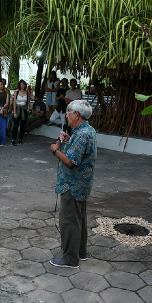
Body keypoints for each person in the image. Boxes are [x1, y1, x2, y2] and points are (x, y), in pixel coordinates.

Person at [49, 100, 97, 268]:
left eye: (68, 112)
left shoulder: (82, 134)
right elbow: (77, 151)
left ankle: (70, 259)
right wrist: (67, 141)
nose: (66, 115)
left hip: (73, 185)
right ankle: (80, 252)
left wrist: (55, 150)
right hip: (81, 184)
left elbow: (70, 161)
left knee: (68, 220)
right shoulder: (86, 130)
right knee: (79, 219)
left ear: (77, 115)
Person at [11, 80, 30, 146]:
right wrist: (14, 112)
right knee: (16, 125)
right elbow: (14, 102)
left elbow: (28, 102)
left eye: (23, 84)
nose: (22, 85)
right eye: (21, 84)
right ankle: (13, 139)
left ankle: (20, 138)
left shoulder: (27, 93)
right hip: (18, 108)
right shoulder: (17, 92)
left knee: (23, 125)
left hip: (24, 109)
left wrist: (28, 109)